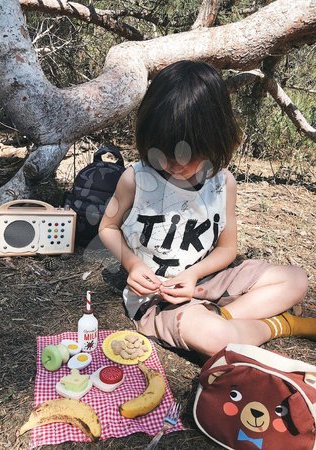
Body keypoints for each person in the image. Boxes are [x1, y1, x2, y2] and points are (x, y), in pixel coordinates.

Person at [99, 60, 315, 356]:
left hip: (206, 280)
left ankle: (224, 317)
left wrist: (194, 275)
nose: (175, 165)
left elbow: (227, 250)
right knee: (214, 339)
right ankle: (279, 325)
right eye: (164, 152)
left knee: (295, 279)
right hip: (157, 295)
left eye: (189, 153)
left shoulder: (222, 184)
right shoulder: (135, 179)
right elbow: (107, 227)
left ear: (216, 138)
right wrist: (133, 264)